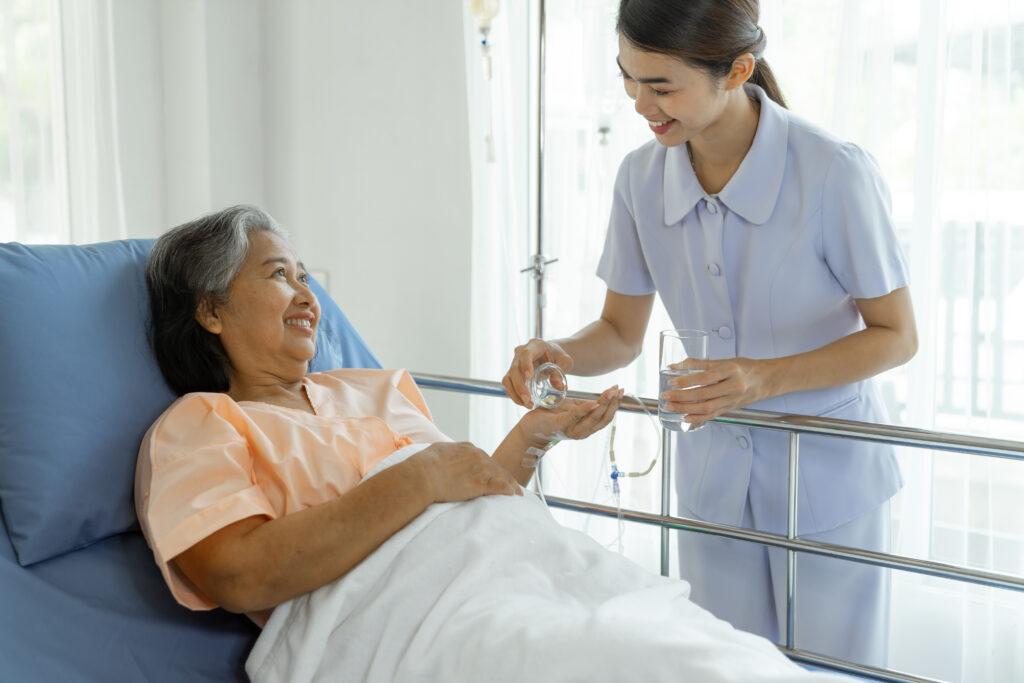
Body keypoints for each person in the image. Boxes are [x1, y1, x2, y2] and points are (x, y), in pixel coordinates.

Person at [502, 0, 917, 667]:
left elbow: (897, 335)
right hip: (714, 486)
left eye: (661, 85)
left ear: (738, 69)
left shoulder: (833, 171)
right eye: (629, 78)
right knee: (719, 670)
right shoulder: (640, 179)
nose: (641, 102)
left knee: (834, 674)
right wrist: (559, 352)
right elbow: (619, 330)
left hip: (831, 482)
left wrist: (761, 377)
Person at [135, 205, 623, 628]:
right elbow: (238, 576)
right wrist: (419, 477)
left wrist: (534, 434)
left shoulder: (374, 388)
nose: (308, 296)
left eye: (304, 277)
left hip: (518, 575)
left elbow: (472, 505)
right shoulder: (200, 425)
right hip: (408, 626)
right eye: (278, 275)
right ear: (212, 311)